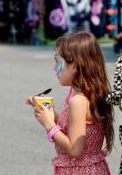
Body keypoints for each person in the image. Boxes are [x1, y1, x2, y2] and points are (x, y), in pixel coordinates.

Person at [27, 30, 114, 174]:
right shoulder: (81, 93)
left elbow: (75, 150)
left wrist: (49, 124)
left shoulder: (78, 101)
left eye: (58, 61)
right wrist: (49, 113)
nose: (54, 68)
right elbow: (73, 126)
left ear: (74, 66)